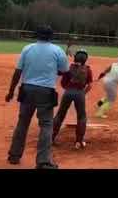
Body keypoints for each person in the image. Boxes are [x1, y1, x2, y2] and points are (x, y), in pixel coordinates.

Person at [5, 25, 69, 169]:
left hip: (27, 89)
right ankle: (43, 161)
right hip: (46, 91)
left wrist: (10, 92)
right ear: (51, 36)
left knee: (22, 123)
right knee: (46, 125)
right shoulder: (57, 50)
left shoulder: (27, 48)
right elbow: (64, 70)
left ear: (37, 35)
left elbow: (17, 72)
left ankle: (14, 156)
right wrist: (53, 70)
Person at [52, 49, 93, 150]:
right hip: (80, 93)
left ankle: (51, 138)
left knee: (60, 115)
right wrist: (83, 93)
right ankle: (79, 142)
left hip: (68, 92)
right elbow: (89, 85)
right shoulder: (88, 69)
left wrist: (68, 89)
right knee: (82, 117)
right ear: (85, 59)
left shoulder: (69, 68)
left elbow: (62, 81)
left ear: (75, 58)